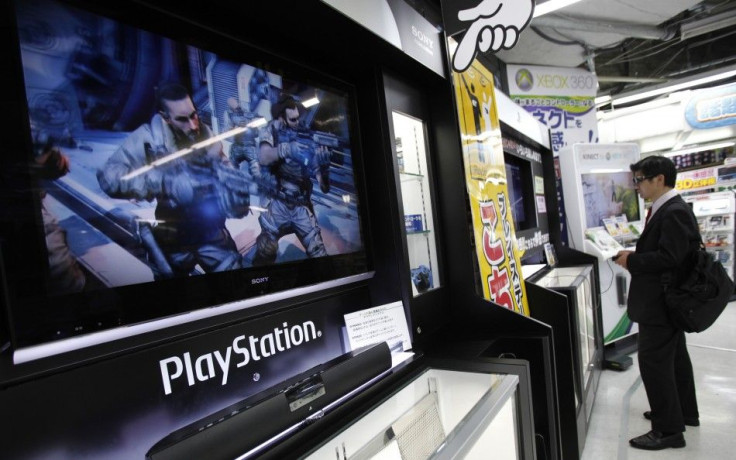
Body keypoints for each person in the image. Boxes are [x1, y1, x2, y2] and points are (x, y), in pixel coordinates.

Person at [97, 82, 249, 278]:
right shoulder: (149, 139)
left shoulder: (206, 136)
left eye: (193, 115)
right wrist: (163, 183)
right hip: (172, 236)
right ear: (165, 117)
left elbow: (225, 171)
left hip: (210, 231)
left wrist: (235, 195)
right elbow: (108, 177)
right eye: (182, 119)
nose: (193, 125)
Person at [613, 155, 701, 450]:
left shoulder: (673, 211)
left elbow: (670, 258)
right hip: (667, 300)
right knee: (675, 359)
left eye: (639, 180)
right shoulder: (667, 209)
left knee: (654, 363)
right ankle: (683, 412)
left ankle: (668, 430)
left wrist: (632, 260)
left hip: (661, 303)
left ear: (659, 179)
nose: (636, 187)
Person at [252, 95, 331, 265]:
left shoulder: (305, 137)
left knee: (320, 256)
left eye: (298, 119)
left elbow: (324, 187)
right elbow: (264, 156)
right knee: (265, 253)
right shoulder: (272, 130)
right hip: (277, 203)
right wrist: (287, 150)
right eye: (292, 119)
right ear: (282, 119)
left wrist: (324, 171)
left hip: (300, 207)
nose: (297, 123)